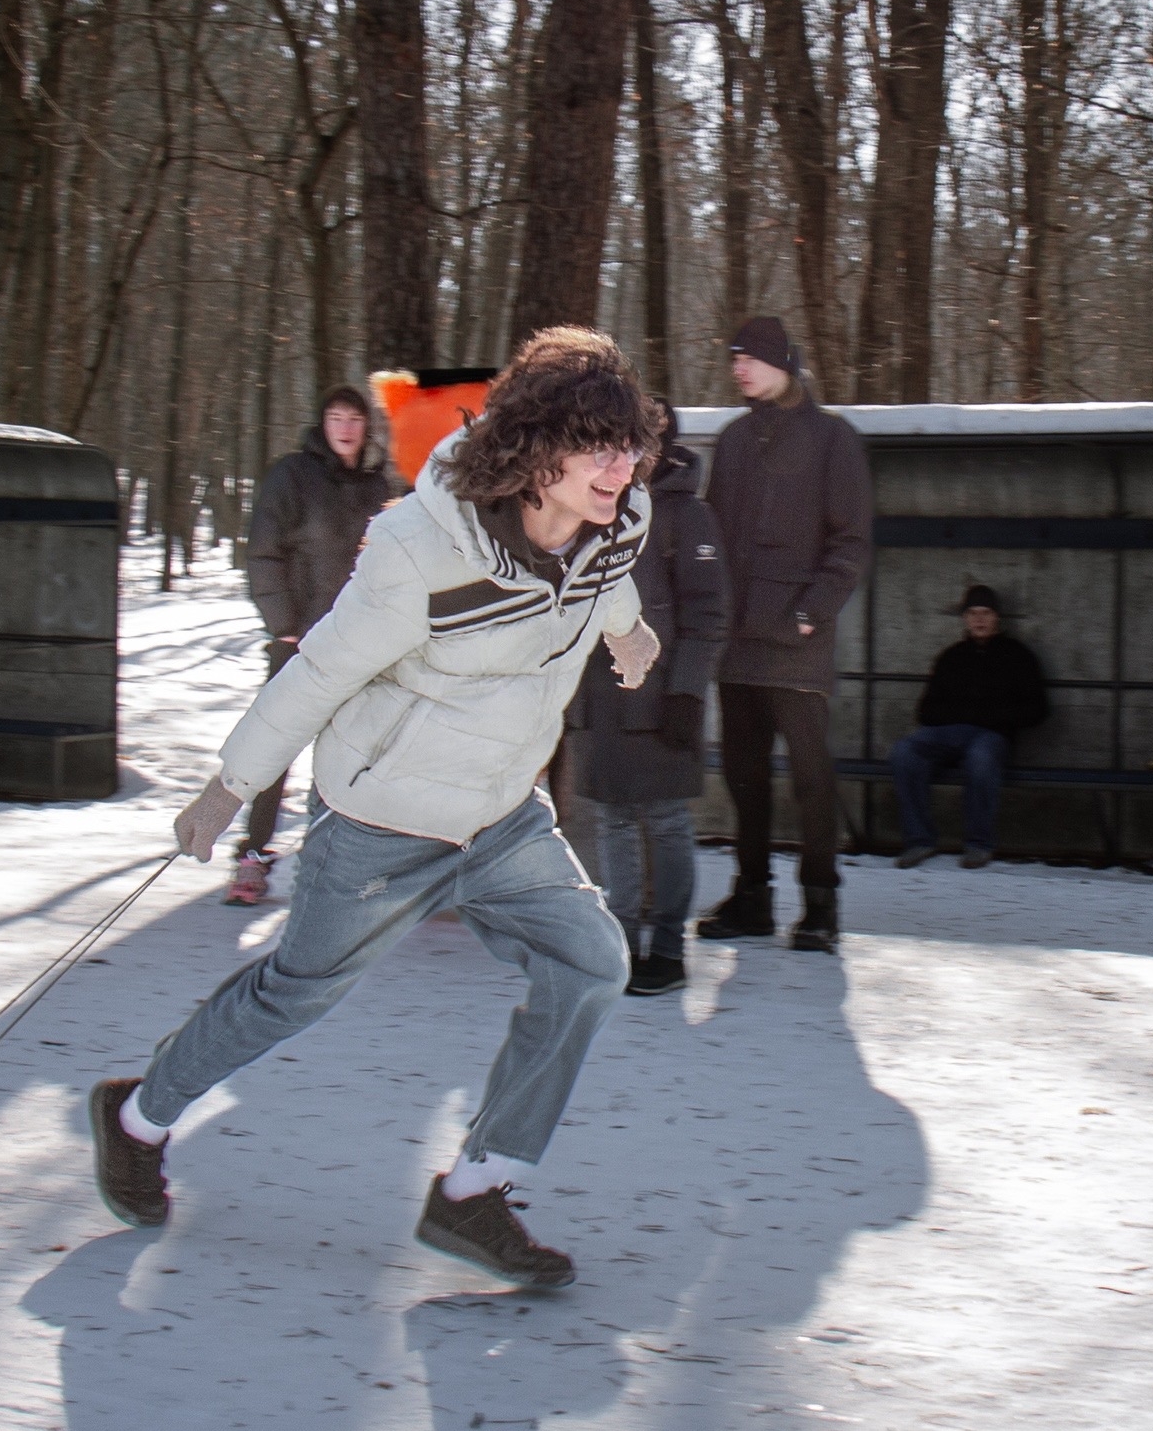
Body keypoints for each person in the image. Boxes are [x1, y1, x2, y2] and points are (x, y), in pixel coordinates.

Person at [87, 327, 662, 1289]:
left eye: (629, 444)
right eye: (598, 446)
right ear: (537, 451)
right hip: (382, 819)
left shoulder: (616, 519)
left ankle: (474, 1189)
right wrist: (230, 784)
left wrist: (630, 630)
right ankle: (138, 1115)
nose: (622, 466)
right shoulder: (423, 551)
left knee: (593, 963)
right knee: (295, 992)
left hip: (500, 812)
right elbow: (320, 669)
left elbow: (601, 582)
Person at [698, 316, 871, 953]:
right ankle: (752, 898)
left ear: (784, 363)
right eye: (734, 358)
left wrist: (810, 612)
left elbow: (851, 541)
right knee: (743, 778)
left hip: (797, 645)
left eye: (750, 358)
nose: (739, 368)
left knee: (810, 780)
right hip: (737, 642)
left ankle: (820, 905)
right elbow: (712, 535)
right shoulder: (734, 440)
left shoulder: (832, 438)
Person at [565, 398, 726, 996]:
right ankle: (624, 942)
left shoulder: (688, 516)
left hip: (662, 701)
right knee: (611, 820)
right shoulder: (593, 506)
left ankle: (669, 947)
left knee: (665, 821)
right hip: (599, 698)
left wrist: (686, 693)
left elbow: (707, 613)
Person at [229, 384, 400, 905]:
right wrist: (283, 623)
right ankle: (251, 857)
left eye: (354, 418)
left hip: (361, 645)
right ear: (323, 425)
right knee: (275, 748)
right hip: (300, 640)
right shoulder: (292, 476)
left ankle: (335, 864)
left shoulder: (380, 486)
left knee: (354, 754)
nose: (345, 427)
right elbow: (263, 551)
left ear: (366, 427)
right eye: (336, 417)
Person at [890, 585, 1049, 870]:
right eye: (973, 613)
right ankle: (919, 840)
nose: (979, 620)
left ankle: (979, 844)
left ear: (997, 617)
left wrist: (991, 718)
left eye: (985, 613)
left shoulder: (1018, 655)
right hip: (947, 734)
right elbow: (925, 711)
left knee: (980, 756)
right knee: (904, 752)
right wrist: (968, 714)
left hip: (992, 737)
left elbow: (1038, 710)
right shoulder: (951, 657)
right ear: (964, 618)